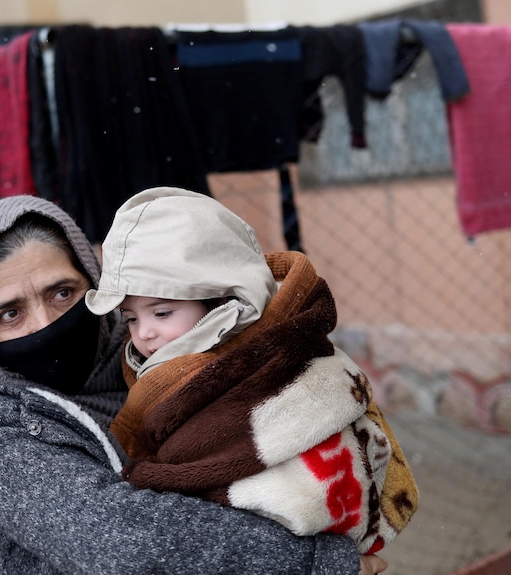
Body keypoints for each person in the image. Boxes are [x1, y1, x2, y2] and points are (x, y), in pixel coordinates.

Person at [0, 194, 389, 574]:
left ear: (96, 285)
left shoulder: (160, 363)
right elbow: (124, 539)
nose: (47, 324)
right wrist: (317, 565)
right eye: (10, 313)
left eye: (62, 293)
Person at [85, 187, 419, 555]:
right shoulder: (147, 375)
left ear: (220, 301)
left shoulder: (282, 350)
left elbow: (328, 403)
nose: (144, 333)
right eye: (130, 319)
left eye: (162, 313)